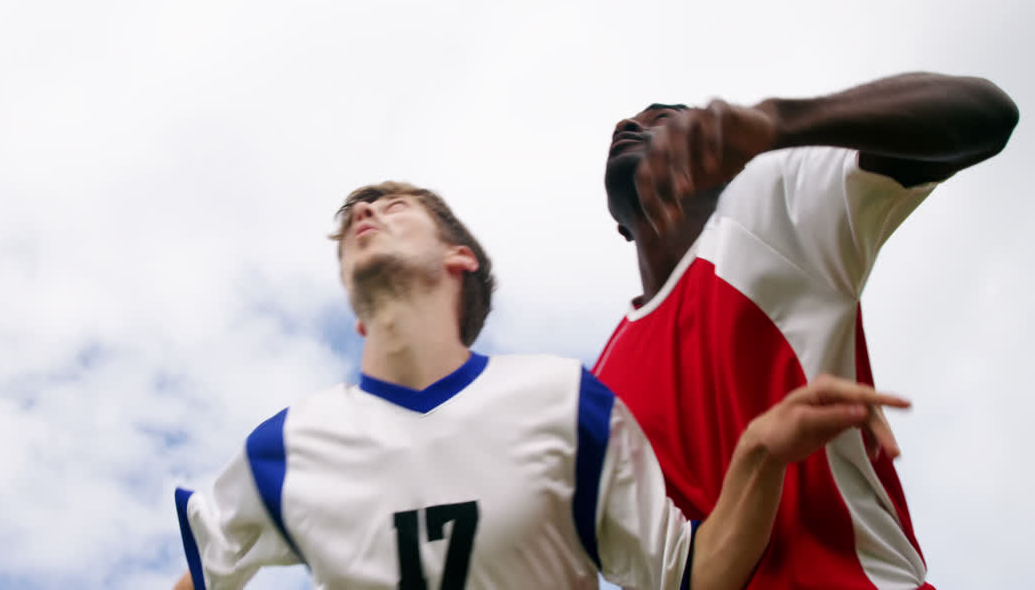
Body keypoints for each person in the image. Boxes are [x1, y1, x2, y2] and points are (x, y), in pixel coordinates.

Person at [171, 182, 909, 590]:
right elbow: (202, 574)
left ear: (459, 258)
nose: (365, 213)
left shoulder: (562, 401)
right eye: (354, 220)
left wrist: (759, 453)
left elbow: (689, 576)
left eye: (394, 207)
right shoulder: (285, 447)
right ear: (355, 314)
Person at [593, 72, 1019, 590]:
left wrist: (777, 124)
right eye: (627, 125)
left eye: (662, 120)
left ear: (717, 167)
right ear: (620, 228)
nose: (630, 126)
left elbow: (988, 115)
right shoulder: (600, 388)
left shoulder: (768, 210)